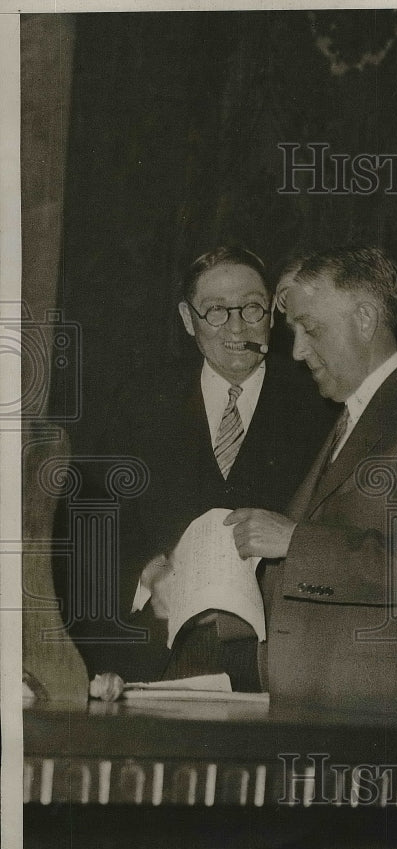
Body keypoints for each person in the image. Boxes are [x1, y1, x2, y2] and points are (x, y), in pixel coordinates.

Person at [224, 245, 397, 849]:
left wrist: (296, 542)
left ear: (366, 315)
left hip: (374, 739)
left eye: (310, 328)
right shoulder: (354, 418)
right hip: (321, 736)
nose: (295, 351)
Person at [83, 244, 336, 689]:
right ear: (188, 319)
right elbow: (92, 527)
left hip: (271, 670)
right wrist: (144, 576)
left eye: (252, 307)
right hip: (147, 664)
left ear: (272, 314)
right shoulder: (139, 402)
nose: (236, 327)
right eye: (216, 311)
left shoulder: (320, 407)